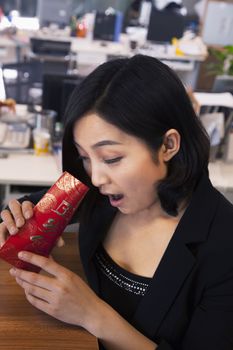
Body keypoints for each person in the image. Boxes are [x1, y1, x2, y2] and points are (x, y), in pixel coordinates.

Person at [0, 54, 233, 350]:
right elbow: (31, 204)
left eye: (112, 158)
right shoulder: (98, 192)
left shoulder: (224, 246)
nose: (96, 177)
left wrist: (93, 315)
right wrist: (17, 217)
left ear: (168, 145)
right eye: (85, 157)